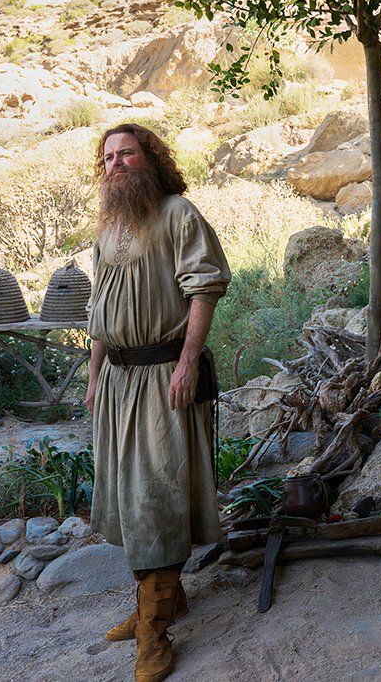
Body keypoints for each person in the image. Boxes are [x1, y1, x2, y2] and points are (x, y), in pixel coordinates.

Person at [85, 123, 230, 682]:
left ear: (150, 158)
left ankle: (155, 634)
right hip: (118, 383)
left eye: (126, 153)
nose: (115, 164)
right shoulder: (108, 230)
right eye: (108, 158)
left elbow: (204, 288)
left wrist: (189, 362)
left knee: (157, 497)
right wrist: (95, 376)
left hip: (165, 375)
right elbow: (100, 313)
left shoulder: (177, 214)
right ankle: (163, 600)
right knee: (129, 497)